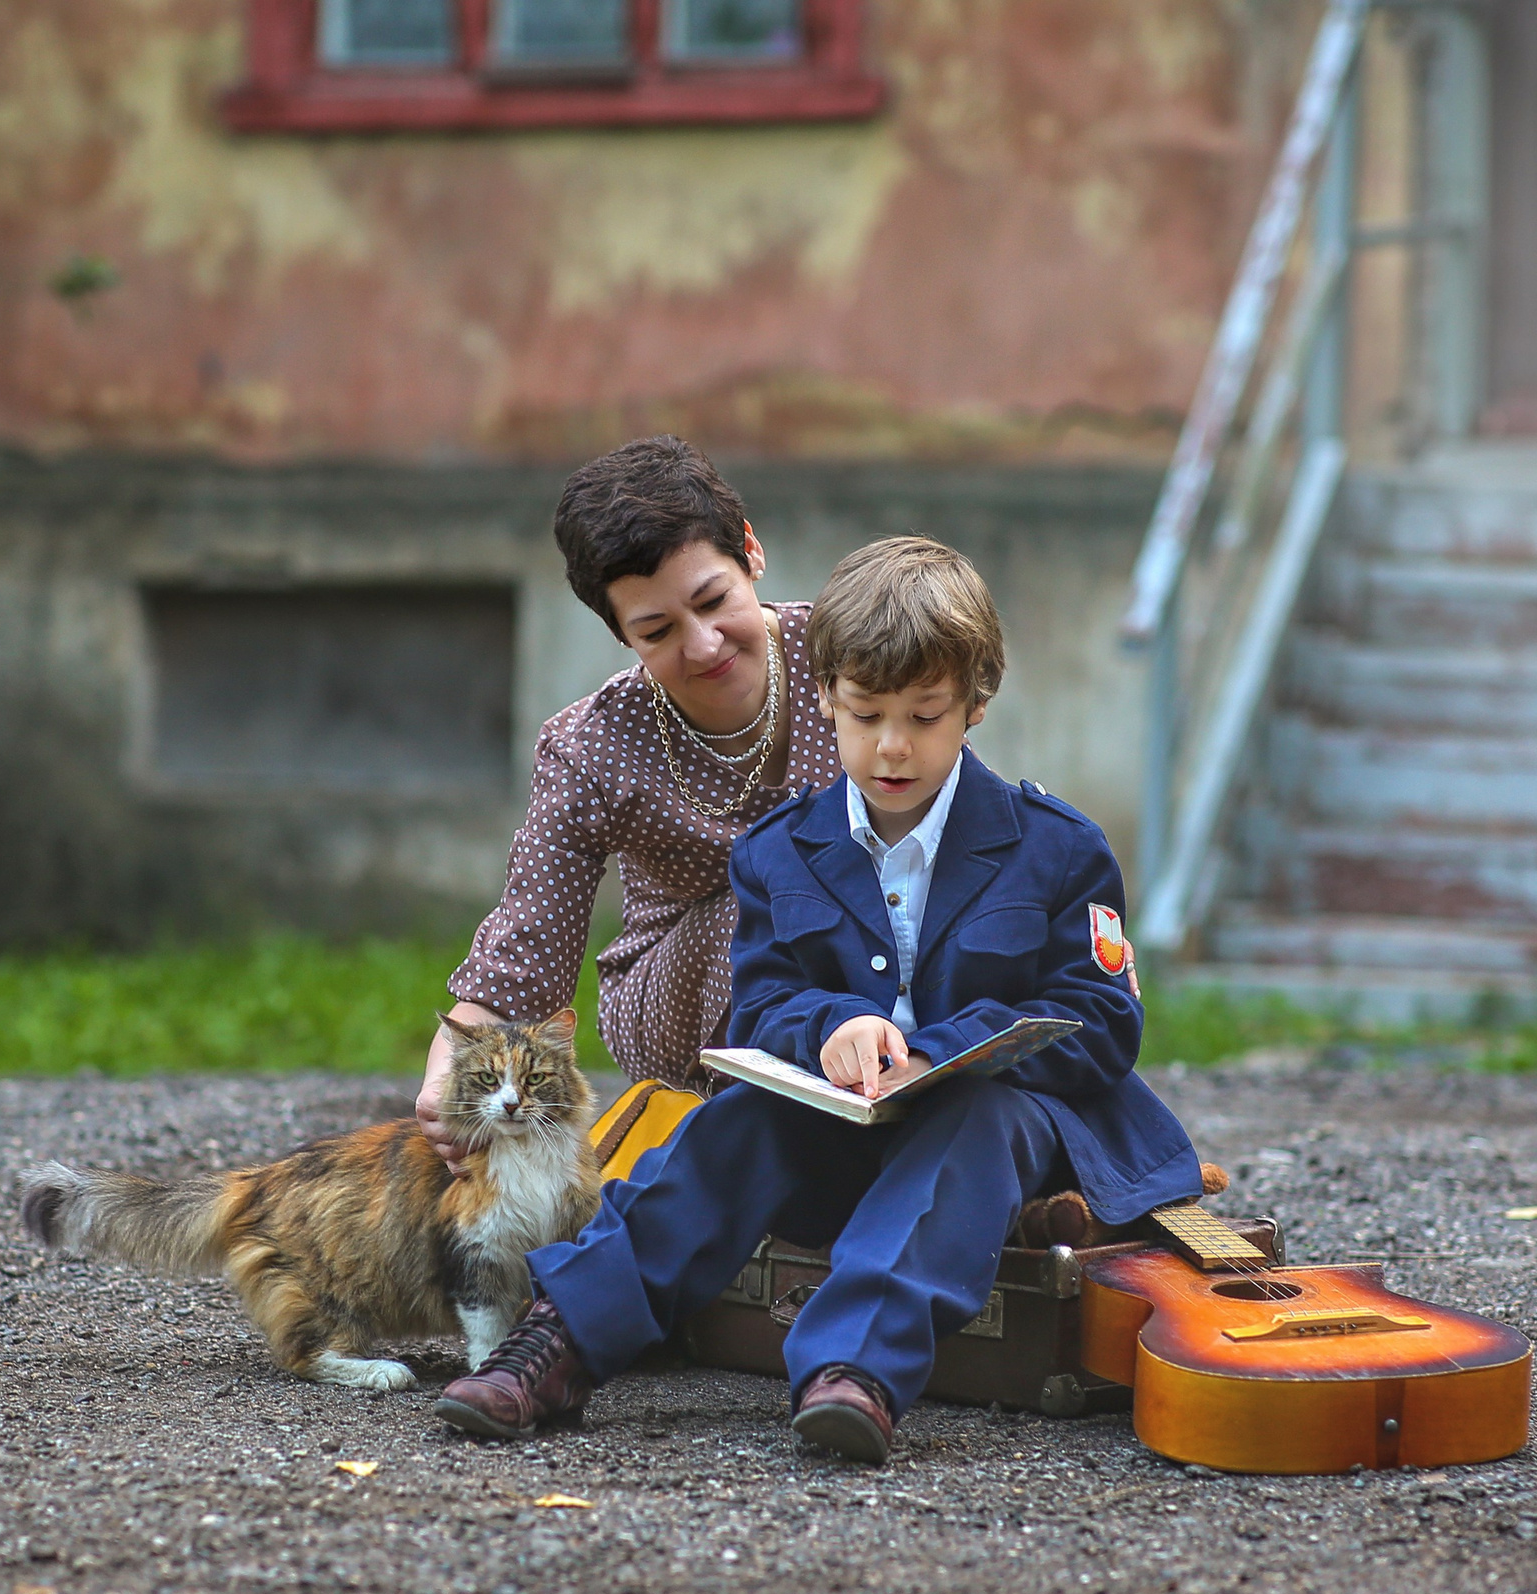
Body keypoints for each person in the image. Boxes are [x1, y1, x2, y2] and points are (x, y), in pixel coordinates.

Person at [433, 537, 1209, 1465]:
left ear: (977, 702)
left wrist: (944, 1050)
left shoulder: (1059, 848)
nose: (892, 745)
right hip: (849, 1139)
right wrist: (832, 1025)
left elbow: (1104, 1019)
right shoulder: (777, 850)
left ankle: (853, 1368)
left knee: (976, 1116)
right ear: (825, 697)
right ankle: (557, 1344)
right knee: (738, 1122)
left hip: (1011, 1152)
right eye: (865, 713)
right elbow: (763, 1005)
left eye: (924, 716)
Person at [414, 436, 844, 1164]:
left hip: (870, 959)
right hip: (688, 987)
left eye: (713, 600)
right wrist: (447, 1088)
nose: (704, 645)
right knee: (776, 890)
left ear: (750, 551)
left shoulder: (852, 656)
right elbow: (525, 956)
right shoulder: (592, 747)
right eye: (657, 630)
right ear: (620, 634)